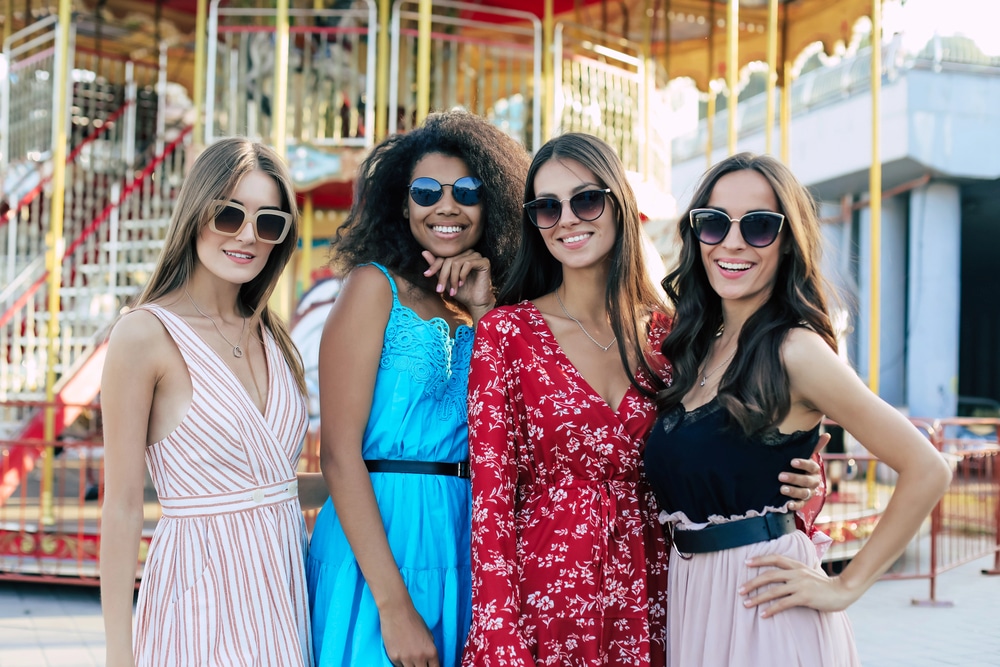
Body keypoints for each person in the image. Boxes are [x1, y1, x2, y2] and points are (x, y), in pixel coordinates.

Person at [462, 134, 822, 667]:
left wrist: (800, 479)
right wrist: (499, 632)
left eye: (585, 200)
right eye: (547, 207)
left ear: (618, 205)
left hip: (660, 590)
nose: (567, 219)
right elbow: (490, 501)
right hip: (547, 599)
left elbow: (736, 444)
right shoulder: (506, 334)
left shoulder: (675, 337)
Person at [643, 152, 953, 666]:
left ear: (787, 243)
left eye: (760, 226)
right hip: (696, 595)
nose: (733, 242)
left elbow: (927, 468)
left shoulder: (796, 350)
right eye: (714, 224)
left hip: (764, 603)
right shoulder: (695, 345)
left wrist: (846, 585)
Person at [307, 111, 530, 667]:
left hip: (461, 532)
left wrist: (484, 309)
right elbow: (337, 455)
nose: (446, 206)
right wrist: (393, 605)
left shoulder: (490, 305)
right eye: (426, 191)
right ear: (402, 203)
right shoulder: (372, 287)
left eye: (467, 191)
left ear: (492, 203)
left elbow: (516, 423)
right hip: (381, 539)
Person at [100, 137, 329, 666]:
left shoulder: (272, 334)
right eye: (229, 215)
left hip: (285, 584)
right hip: (199, 594)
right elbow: (123, 506)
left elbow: (268, 482)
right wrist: (118, 655)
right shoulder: (143, 335)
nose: (248, 235)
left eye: (268, 222)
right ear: (196, 213)